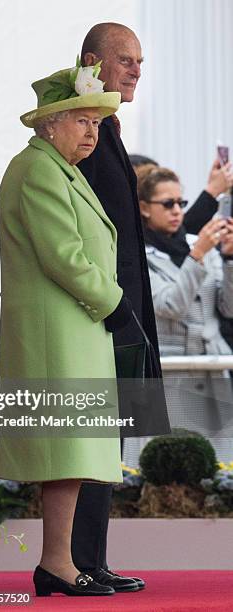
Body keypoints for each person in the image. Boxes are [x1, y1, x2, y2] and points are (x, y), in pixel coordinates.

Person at [0, 62, 136, 597]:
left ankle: (59, 562)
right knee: (63, 450)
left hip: (72, 328)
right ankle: (57, 562)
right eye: (81, 120)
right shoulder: (36, 169)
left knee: (69, 454)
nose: (91, 132)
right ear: (49, 124)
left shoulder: (58, 168)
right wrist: (116, 304)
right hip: (57, 331)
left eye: (96, 124)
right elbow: (64, 256)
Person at [71, 22, 169, 592]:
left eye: (140, 61)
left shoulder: (107, 128)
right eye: (125, 60)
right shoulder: (80, 130)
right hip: (102, 311)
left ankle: (90, 559)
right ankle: (75, 563)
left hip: (124, 308)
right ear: (91, 62)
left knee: (110, 438)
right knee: (90, 436)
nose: (136, 69)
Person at [123, 164, 233, 466]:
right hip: (172, 374)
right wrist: (197, 255)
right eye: (168, 203)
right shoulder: (137, 255)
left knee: (221, 468)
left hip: (213, 369)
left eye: (181, 203)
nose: (177, 211)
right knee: (167, 465)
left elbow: (228, 308)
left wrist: (228, 259)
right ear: (144, 208)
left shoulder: (197, 245)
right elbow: (170, 305)